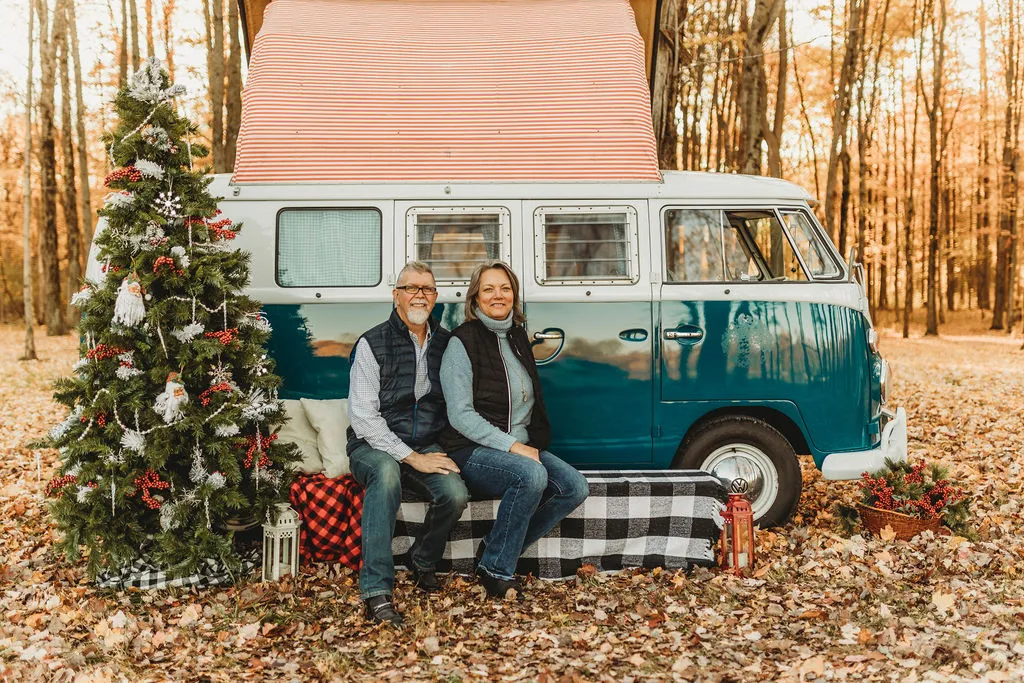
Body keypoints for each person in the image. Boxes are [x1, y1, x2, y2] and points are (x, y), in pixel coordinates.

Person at [439, 260, 589, 598]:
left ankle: (496, 548)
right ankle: (496, 570)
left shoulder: (518, 337)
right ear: (475, 298)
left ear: (514, 295)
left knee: (574, 487)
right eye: (489, 289)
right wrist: (512, 447)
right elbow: (460, 415)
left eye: (505, 288)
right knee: (531, 476)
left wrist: (528, 443)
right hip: (471, 449)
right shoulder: (461, 343)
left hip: (518, 447)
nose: (498, 295)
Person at [347, 261, 469, 626]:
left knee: (455, 493)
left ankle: (422, 559)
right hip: (371, 445)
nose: (420, 295)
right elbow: (364, 417)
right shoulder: (372, 343)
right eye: (411, 288)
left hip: (425, 442)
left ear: (435, 298)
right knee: (385, 475)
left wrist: (429, 452)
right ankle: (376, 591)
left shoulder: (448, 344)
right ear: (396, 295)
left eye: (428, 289)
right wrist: (411, 457)